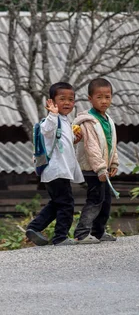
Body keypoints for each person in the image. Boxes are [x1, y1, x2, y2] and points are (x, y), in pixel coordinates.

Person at [26, 82, 84, 246]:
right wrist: (52, 114)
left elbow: (60, 144)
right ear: (51, 102)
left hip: (60, 171)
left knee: (58, 202)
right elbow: (46, 130)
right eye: (62, 99)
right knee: (67, 203)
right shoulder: (51, 120)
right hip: (56, 171)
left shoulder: (65, 121)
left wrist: (74, 140)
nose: (67, 103)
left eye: (71, 99)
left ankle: (34, 227)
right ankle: (60, 237)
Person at [72, 78, 119, 244]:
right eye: (99, 97)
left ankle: (98, 232)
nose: (104, 101)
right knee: (95, 200)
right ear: (90, 99)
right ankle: (82, 233)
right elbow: (92, 147)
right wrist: (100, 169)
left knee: (105, 201)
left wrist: (113, 163)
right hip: (92, 169)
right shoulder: (88, 121)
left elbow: (111, 144)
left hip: (102, 169)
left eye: (107, 97)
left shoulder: (107, 120)